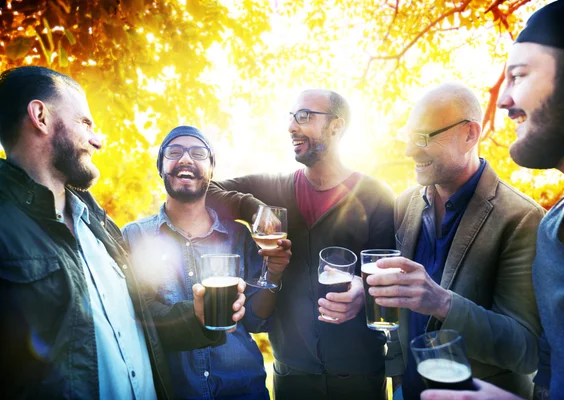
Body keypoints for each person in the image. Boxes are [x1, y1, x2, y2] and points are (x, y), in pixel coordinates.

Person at [0, 67, 247, 399]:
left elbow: (142, 319)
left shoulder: (99, 225)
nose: (97, 140)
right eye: (85, 123)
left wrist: (197, 318)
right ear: (40, 116)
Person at [422, 0, 564, 399]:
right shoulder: (554, 234)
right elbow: (552, 377)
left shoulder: (523, 219)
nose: (502, 101)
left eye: (518, 75)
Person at [206, 89, 395, 400]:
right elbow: (207, 190)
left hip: (361, 375)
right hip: (291, 376)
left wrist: (365, 288)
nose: (292, 126)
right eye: (291, 118)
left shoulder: (377, 195)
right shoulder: (273, 188)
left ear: (337, 126)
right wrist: (253, 208)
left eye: (304, 116)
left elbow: (388, 274)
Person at [365, 83, 544, 399]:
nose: (409, 151)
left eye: (423, 138)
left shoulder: (523, 218)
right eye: (409, 138)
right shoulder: (404, 204)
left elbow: (526, 349)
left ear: (470, 135)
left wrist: (441, 302)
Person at [122, 126, 292, 399]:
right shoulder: (134, 236)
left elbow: (256, 321)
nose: (186, 159)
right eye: (174, 152)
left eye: (198, 153)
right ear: (160, 167)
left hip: (244, 390)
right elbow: (135, 320)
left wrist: (274, 272)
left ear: (211, 170)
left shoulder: (238, 235)